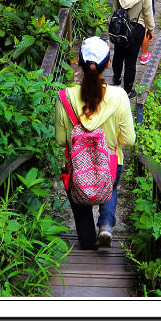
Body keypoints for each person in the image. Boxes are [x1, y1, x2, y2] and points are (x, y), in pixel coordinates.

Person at [55, 36, 135, 250]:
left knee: (77, 188)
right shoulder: (119, 96)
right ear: (107, 64)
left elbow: (61, 140)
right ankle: (107, 224)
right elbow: (128, 139)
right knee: (111, 183)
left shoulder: (64, 97)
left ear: (78, 63)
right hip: (110, 163)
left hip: (77, 167)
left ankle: (87, 240)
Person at [107, 0, 155, 97]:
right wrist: (150, 29)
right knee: (131, 60)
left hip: (119, 26)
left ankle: (116, 78)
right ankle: (128, 90)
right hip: (136, 28)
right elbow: (148, 13)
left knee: (118, 54)